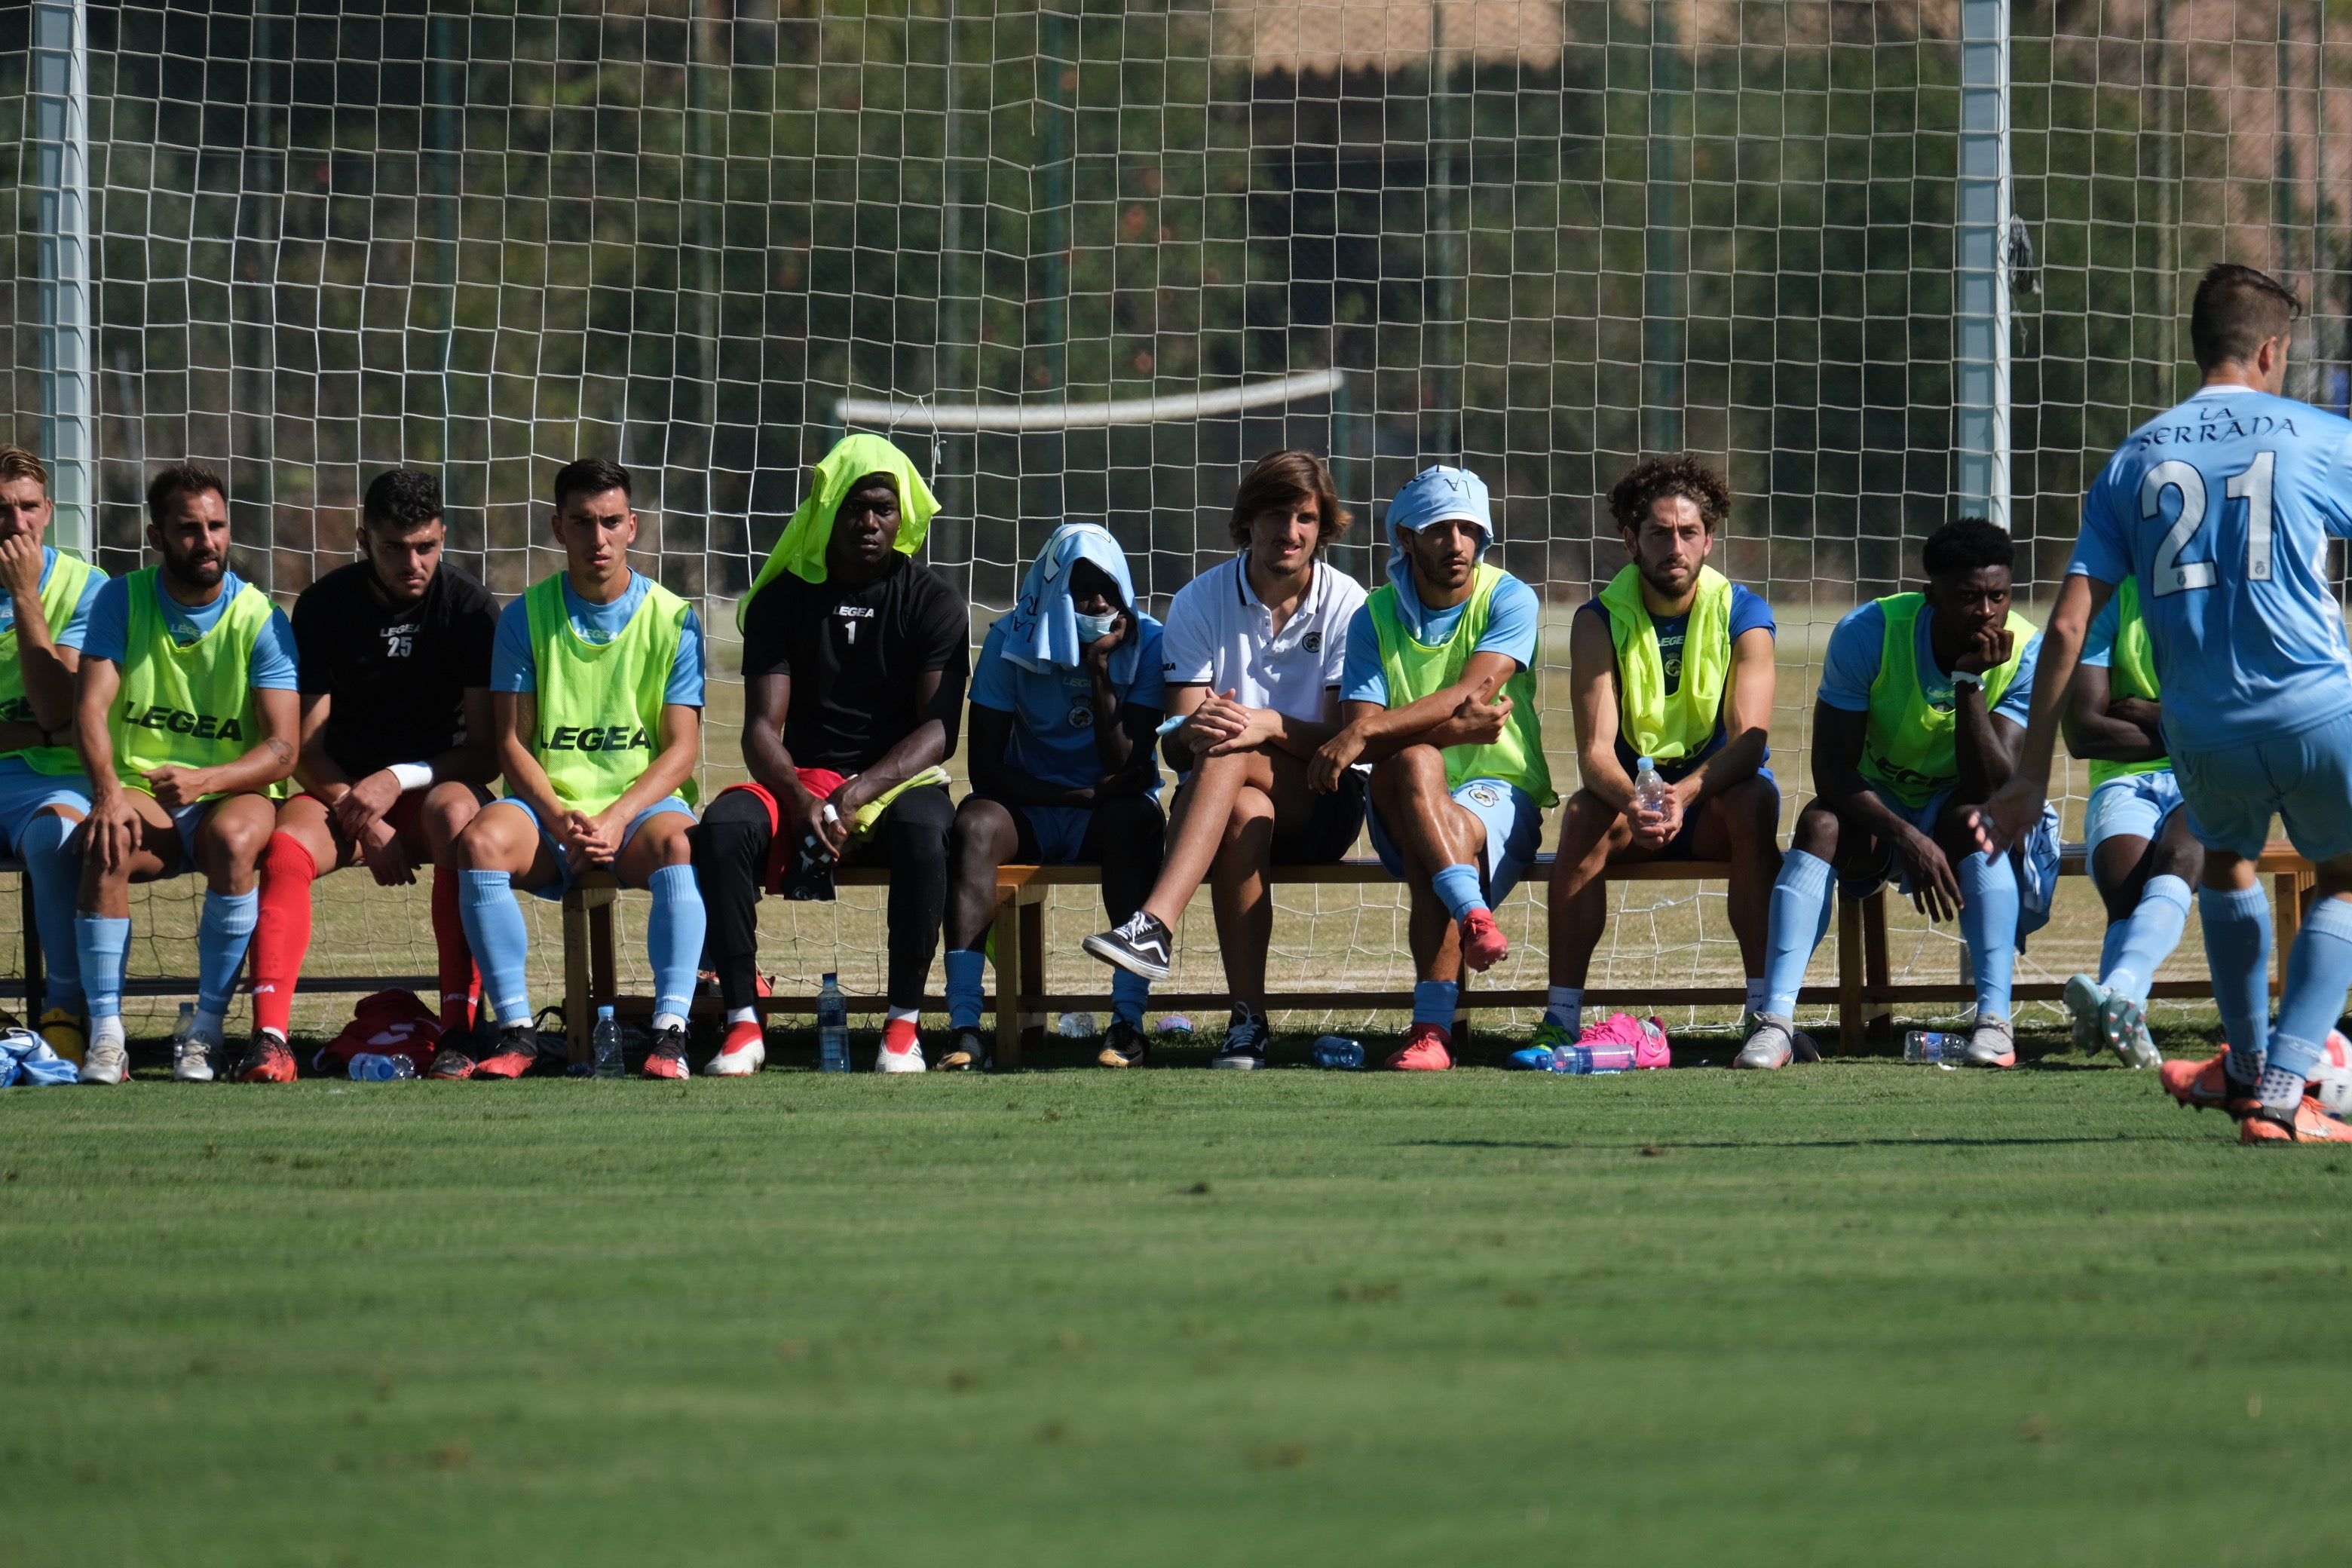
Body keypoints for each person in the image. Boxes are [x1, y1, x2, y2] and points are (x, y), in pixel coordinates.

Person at [1973, 263, 2352, 1144]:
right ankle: (2286, 1088)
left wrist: (2031, 779)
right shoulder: (2313, 432)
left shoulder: (2135, 457)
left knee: (2228, 862)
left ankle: (2248, 1071)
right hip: (2311, 704)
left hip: (2201, 728)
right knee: (2340, 878)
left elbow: (2066, 630)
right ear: (2271, 350)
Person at [1081, 450, 1366, 1070]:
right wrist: (1197, 730)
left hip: (1323, 802)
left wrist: (1261, 724)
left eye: (1305, 518)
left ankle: (1154, 923)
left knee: (1234, 743)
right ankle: (1246, 1026)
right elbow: (1177, 743)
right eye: (1274, 514)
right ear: (1248, 521)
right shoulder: (1197, 600)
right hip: (1224, 809)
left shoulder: (1350, 603)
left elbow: (1344, 742)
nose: (1288, 532)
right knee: (1234, 788)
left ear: (1324, 526)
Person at [1741, 518, 2060, 1071]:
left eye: (1998, 596)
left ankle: (1995, 1024)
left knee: (1981, 822)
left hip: (1962, 808)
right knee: (1819, 824)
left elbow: (1993, 786)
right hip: (1876, 805)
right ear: (1929, 594)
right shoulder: (1869, 632)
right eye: (1967, 598)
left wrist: (1969, 684)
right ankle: (1776, 1024)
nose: (1987, 612)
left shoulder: (2028, 649)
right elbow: (1833, 772)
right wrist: (1909, 838)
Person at [693, 435, 966, 1073]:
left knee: (930, 832)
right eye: (854, 507)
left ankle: (902, 1027)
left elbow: (937, 732)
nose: (869, 522)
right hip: (804, 783)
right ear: (826, 510)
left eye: (884, 508)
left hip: (896, 784)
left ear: (903, 517)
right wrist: (800, 795)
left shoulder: (934, 602)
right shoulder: (783, 600)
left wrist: (858, 791)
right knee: (724, 828)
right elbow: (761, 728)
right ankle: (740, 1023)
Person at [443, 458, 706, 1081]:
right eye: (583, 523)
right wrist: (562, 818)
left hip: (636, 817)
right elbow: (511, 742)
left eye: (612, 522)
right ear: (558, 528)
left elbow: (681, 750)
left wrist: (616, 818)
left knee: (680, 844)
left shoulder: (672, 618)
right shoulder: (524, 617)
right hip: (547, 813)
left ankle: (670, 1035)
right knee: (479, 841)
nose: (599, 538)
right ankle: (515, 1031)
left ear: (633, 527)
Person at [236, 467, 501, 1083]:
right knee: (284, 849)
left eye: (426, 547)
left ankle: (461, 1032)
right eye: (393, 548)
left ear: (443, 536)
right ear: (363, 539)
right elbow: (306, 749)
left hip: (436, 785)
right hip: (343, 793)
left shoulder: (469, 608)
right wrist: (365, 813)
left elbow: (485, 753)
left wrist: (396, 779)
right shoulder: (326, 606)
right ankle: (270, 1039)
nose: (413, 562)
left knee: (460, 820)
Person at [1309, 464, 1552, 1072]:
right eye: (1439, 530)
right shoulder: (1373, 615)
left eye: (1470, 529)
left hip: (1502, 792)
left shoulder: (1511, 598)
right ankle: (1474, 916)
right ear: (1407, 539)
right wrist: (1420, 733)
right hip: (1399, 794)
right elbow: (1386, 741)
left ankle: (1432, 1034)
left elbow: (1468, 690)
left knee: (1436, 847)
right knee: (1417, 766)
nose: (1458, 543)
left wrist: (1368, 728)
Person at [69, 464, 301, 1085]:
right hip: (143, 793)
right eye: (190, 529)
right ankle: (107, 1036)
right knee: (106, 839)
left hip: (231, 791)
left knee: (237, 840)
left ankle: (205, 1030)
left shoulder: (260, 617)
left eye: (217, 526)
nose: (207, 541)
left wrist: (206, 780)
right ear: (157, 536)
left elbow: (283, 750)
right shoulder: (121, 597)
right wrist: (109, 793)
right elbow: (88, 709)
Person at [1539, 455, 1779, 1050]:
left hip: (1713, 800)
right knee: (1580, 814)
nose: (1675, 546)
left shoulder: (1745, 613)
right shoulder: (1597, 619)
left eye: (1688, 532)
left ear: (1709, 538)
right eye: (1659, 533)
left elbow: (1750, 744)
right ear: (1631, 540)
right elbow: (1595, 753)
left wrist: (1685, 794)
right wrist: (1637, 802)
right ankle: (1561, 1017)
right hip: (1633, 808)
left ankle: (1764, 1015)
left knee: (1755, 802)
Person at [945, 525, 1165, 1068]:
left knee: (1137, 822)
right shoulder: (1007, 640)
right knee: (972, 824)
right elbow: (985, 770)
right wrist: (1074, 795)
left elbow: (1129, 767)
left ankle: (1127, 1025)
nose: (1096, 603)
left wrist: (1099, 669)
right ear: (1052, 589)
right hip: (1031, 806)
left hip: (1109, 809)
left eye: (1108, 590)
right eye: (1080, 589)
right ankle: (965, 1026)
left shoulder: (1151, 641)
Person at [2056, 576, 2197, 1070]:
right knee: (2124, 885)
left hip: (2210, 775)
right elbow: (2084, 732)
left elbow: (2242, 718)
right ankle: (2124, 1007)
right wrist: (2186, 726)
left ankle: (2117, 993)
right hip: (2122, 779)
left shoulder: (2229, 597)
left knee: (2179, 858)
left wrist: (2149, 711)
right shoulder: (2110, 600)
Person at [0, 446, 106, 1066]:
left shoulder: (88, 588)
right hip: (29, 759)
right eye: (2, 510)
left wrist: (26, 599)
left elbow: (57, 715)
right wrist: (39, 734)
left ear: (49, 511)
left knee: (57, 839)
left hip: (53, 781)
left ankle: (65, 1010)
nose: (16, 524)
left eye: (28, 508)